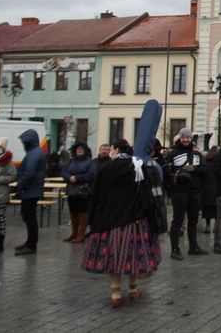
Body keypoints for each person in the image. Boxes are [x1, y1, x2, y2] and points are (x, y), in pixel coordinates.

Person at [80, 139, 162, 308]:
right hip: (133, 219)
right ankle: (133, 290)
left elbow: (96, 195)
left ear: (116, 150)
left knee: (114, 258)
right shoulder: (136, 167)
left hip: (110, 219)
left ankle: (116, 293)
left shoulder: (106, 168)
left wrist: (93, 218)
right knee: (133, 256)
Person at [163, 128, 207, 260]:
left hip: (194, 191)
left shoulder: (197, 153)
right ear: (180, 138)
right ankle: (174, 249)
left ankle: (193, 247)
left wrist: (195, 169)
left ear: (191, 138)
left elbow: (205, 170)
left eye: (188, 137)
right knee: (177, 221)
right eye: (183, 137)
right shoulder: (173, 153)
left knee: (193, 221)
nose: (186, 140)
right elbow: (166, 170)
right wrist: (177, 173)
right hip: (179, 192)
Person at [14, 129, 47, 256]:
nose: (23, 144)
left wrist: (20, 187)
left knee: (30, 218)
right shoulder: (36, 152)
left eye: (24, 142)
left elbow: (29, 173)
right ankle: (29, 242)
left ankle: (31, 244)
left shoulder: (33, 154)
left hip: (30, 190)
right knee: (29, 217)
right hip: (32, 189)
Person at [61, 141, 96, 244]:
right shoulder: (70, 161)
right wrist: (69, 177)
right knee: (73, 212)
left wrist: (77, 178)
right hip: (71, 190)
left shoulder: (90, 162)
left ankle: (81, 234)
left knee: (82, 212)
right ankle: (74, 233)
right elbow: (63, 171)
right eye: (78, 149)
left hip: (83, 190)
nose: (79, 151)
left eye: (81, 149)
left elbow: (91, 174)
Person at [201, 146, 219, 234]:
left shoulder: (205, 162)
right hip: (216, 188)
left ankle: (208, 225)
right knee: (216, 208)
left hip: (206, 189)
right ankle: (216, 225)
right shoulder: (218, 163)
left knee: (207, 208)